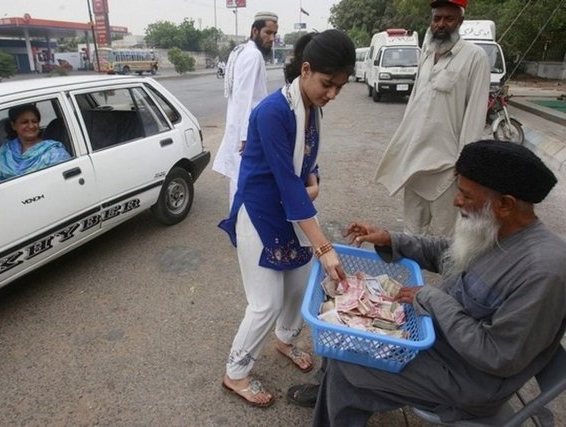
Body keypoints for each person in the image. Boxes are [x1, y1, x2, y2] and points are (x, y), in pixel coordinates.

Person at [308, 140, 565, 426]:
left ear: (505, 204)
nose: (456, 201)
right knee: (342, 334)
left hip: (469, 380)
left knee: (347, 364)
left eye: (466, 196)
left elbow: (497, 356)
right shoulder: (499, 229)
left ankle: (333, 403)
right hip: (439, 341)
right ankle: (331, 397)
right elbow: (449, 252)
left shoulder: (543, 271)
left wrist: (432, 299)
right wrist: (391, 239)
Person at [218, 29, 355, 408]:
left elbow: (307, 160)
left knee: (297, 286)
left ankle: (285, 339)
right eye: (328, 84)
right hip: (261, 214)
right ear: (306, 69)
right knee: (265, 302)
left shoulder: (312, 107)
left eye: (340, 87)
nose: (332, 94)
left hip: (292, 212)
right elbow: (284, 180)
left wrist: (313, 179)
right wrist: (324, 246)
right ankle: (236, 373)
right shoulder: (272, 111)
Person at [374, 0, 491, 237]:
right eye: (437, 18)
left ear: (460, 21)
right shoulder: (427, 55)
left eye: (448, 18)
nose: (441, 24)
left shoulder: (475, 58)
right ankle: (414, 274)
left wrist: (465, 166)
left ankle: (448, 276)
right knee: (411, 233)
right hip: (415, 165)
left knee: (445, 238)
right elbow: (414, 108)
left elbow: (475, 116)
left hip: (447, 168)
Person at [212, 11, 279, 209]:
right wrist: (246, 136)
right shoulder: (253, 55)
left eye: (274, 34)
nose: (272, 38)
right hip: (247, 133)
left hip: (240, 127)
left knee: (238, 180)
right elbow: (245, 97)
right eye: (268, 33)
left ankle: (239, 227)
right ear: (255, 30)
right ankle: (241, 229)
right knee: (245, 182)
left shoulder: (240, 50)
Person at [0, 104, 71, 182]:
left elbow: (62, 182)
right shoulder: (5, 153)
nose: (31, 126)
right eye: (25, 122)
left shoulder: (53, 152)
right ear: (13, 125)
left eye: (34, 122)